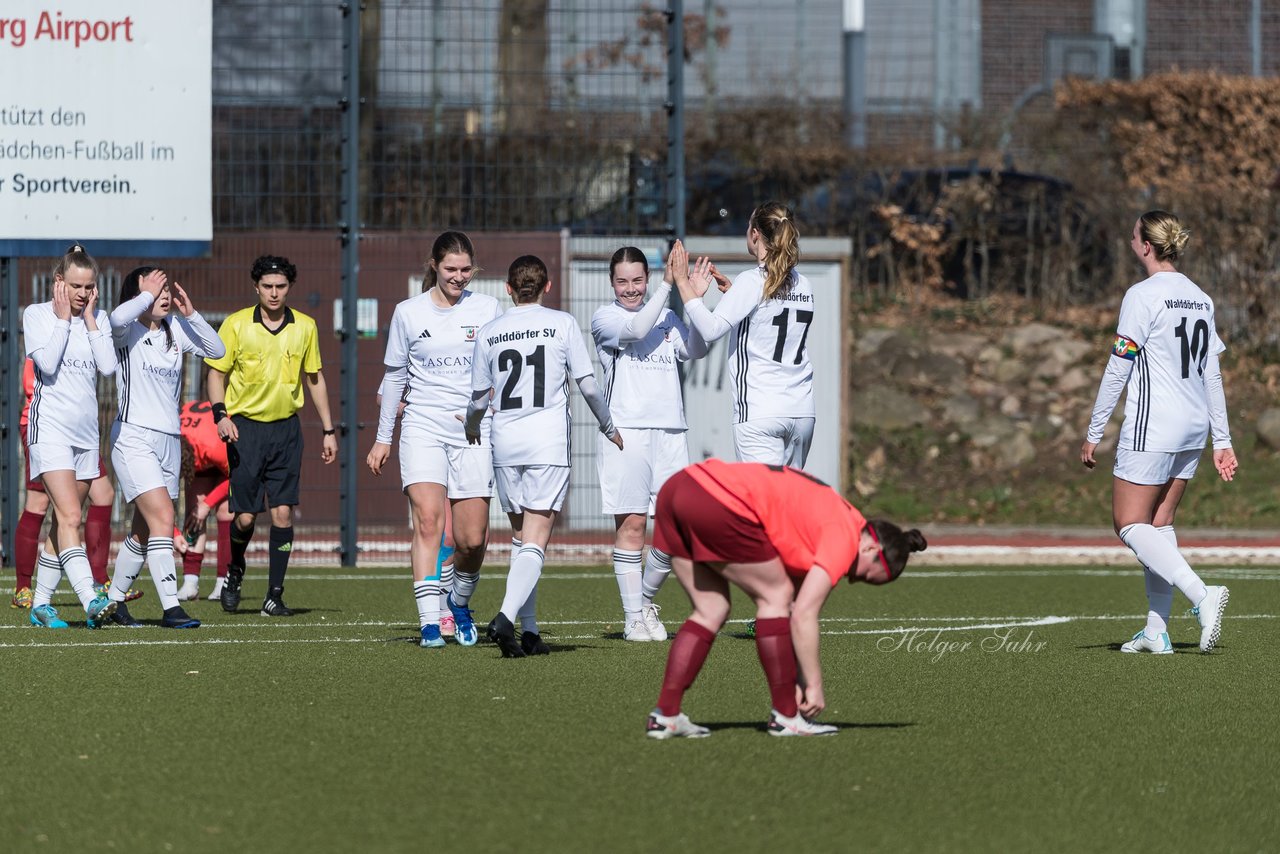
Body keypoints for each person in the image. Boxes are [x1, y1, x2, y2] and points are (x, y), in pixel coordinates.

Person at [644, 459, 926, 739]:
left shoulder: (831, 523)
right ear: (870, 546)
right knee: (774, 597)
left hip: (678, 488)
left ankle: (666, 715)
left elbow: (791, 617)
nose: (852, 579)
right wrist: (814, 685)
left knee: (711, 609)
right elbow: (803, 614)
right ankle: (786, 717)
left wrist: (799, 678)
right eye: (864, 575)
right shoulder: (845, 535)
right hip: (716, 498)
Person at [1081, 210, 1237, 654]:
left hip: (1154, 425)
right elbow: (1212, 374)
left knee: (1128, 523)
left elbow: (1118, 368)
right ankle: (1155, 630)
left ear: (1146, 246)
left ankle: (1202, 594)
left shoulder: (1142, 295)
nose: (1131, 242)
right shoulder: (1200, 297)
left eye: (1133, 236)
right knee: (1158, 523)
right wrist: (1221, 439)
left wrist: (1095, 429)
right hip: (1193, 428)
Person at [465, 254, 623, 657]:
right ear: (547, 286)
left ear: (508, 288)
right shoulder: (562, 323)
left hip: (504, 444)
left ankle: (529, 631)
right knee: (536, 541)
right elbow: (588, 386)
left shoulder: (491, 331)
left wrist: (470, 426)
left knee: (522, 541)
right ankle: (503, 617)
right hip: (546, 444)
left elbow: (479, 398)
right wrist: (608, 426)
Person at [367, 231, 500, 648]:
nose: (458, 277)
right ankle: (429, 622)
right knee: (428, 521)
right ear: (434, 266)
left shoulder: (488, 308)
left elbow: (499, 371)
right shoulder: (408, 312)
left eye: (465, 270)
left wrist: (490, 411)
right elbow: (394, 378)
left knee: (472, 540)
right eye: (450, 269)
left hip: (473, 431)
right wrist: (383, 438)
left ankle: (457, 602)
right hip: (423, 426)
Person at [206, 255, 338, 617]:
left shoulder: (305, 327)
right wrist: (221, 416)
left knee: (283, 513)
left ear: (289, 287)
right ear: (256, 287)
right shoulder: (235, 325)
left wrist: (328, 429)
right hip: (244, 431)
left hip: (286, 431)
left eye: (281, 286)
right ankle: (235, 570)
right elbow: (216, 374)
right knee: (246, 517)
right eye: (268, 286)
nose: (274, 293)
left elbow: (314, 378)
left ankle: (274, 594)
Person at [590, 242, 707, 642]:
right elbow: (638, 328)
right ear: (611, 283)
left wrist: (692, 301)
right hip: (628, 434)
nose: (630, 288)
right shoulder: (605, 318)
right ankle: (632, 619)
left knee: (679, 527)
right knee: (634, 525)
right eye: (622, 281)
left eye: (637, 280)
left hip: (671, 432)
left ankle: (642, 604)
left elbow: (697, 348)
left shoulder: (668, 315)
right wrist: (668, 286)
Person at [102, 267, 226, 627]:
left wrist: (192, 315)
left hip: (169, 441)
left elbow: (216, 350)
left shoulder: (175, 329)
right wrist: (143, 297)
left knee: (144, 529)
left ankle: (114, 603)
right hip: (133, 437)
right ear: (137, 297)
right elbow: (114, 318)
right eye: (155, 292)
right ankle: (171, 606)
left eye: (165, 290)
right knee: (162, 517)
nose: (164, 297)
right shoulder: (128, 331)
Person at [673, 202, 816, 468]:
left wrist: (683, 284)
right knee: (789, 505)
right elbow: (769, 316)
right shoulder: (803, 283)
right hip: (802, 413)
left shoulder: (752, 281)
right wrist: (735, 296)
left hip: (761, 413)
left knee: (760, 507)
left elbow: (711, 329)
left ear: (755, 235)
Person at [21, 244, 118, 629]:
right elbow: (45, 363)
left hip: (85, 436)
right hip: (51, 431)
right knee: (71, 515)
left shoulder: (98, 319)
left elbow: (108, 367)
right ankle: (91, 597)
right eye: (75, 285)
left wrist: (91, 320)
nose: (82, 293)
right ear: (58, 282)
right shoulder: (38, 314)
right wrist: (63, 320)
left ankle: (41, 605)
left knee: (63, 523)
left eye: (89, 287)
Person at [12, 358, 126, 609]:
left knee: (103, 493)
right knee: (41, 504)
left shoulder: (86, 324)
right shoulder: (45, 323)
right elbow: (37, 379)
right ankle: (24, 588)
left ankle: (99, 579)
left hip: (80, 429)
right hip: (49, 428)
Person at [177, 399, 233, 601]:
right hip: (199, 449)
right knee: (194, 511)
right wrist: (174, 532)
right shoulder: (171, 444)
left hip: (226, 454)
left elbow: (236, 476)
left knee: (226, 510)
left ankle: (224, 582)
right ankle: (190, 583)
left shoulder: (213, 446)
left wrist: (208, 504)